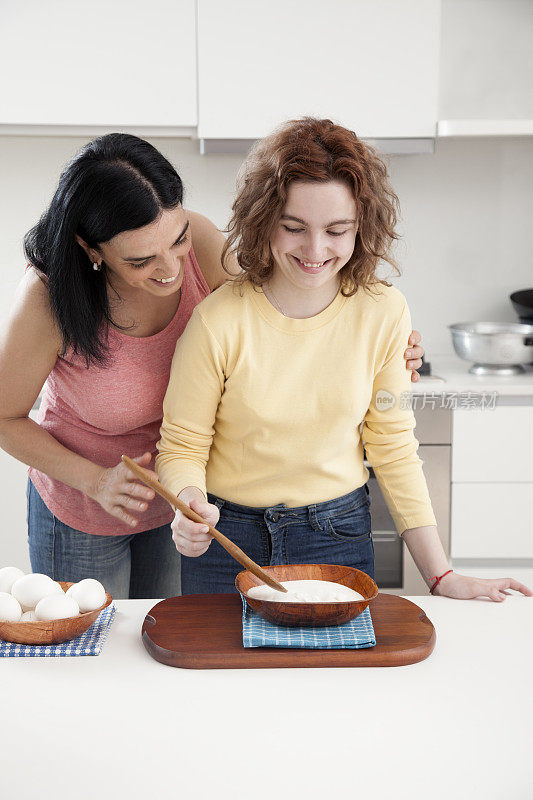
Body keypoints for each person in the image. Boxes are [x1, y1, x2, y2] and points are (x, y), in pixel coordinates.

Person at [0, 130, 427, 599]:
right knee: (95, 647)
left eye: (176, 240)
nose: (169, 269)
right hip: (86, 504)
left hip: (186, 498)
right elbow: (5, 417)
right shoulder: (49, 298)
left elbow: (278, 310)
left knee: (160, 645)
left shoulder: (202, 245)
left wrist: (382, 343)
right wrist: (96, 482)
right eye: (142, 260)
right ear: (91, 250)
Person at [157, 117, 532, 603]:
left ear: (362, 227)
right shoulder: (218, 321)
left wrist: (441, 576)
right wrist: (189, 505)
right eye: (294, 228)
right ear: (265, 219)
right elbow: (183, 445)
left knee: (338, 679)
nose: (315, 250)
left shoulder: (383, 311)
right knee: (222, 679)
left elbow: (393, 448)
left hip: (335, 536)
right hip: (228, 539)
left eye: (337, 230)